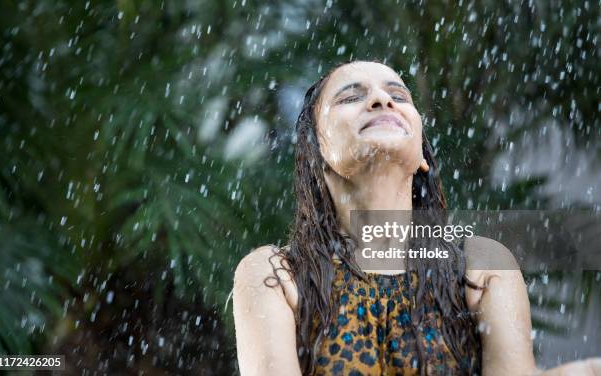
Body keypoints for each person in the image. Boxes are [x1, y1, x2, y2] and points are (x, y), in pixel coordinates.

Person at [232, 60, 600, 375]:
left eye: (399, 96)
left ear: (422, 156)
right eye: (350, 97)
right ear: (316, 156)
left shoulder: (483, 266)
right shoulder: (275, 276)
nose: (382, 99)